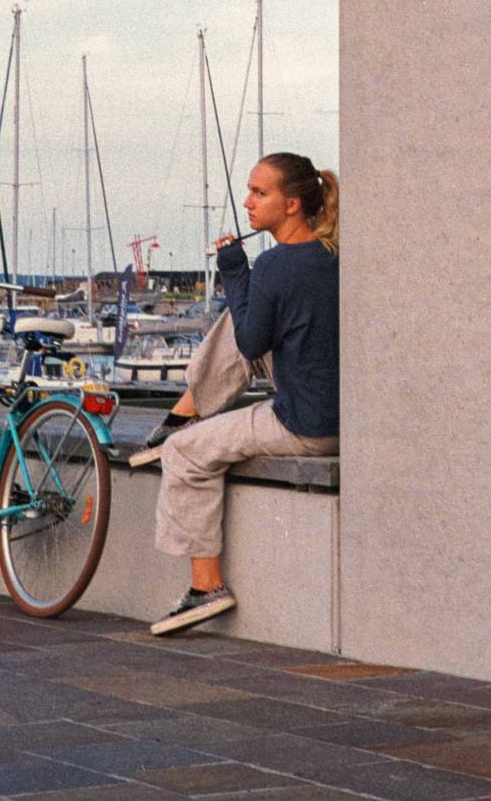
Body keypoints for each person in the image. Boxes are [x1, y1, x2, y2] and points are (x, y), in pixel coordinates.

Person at [133, 152, 340, 636]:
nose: (247, 203)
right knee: (240, 312)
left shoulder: (274, 264)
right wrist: (245, 284)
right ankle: (187, 410)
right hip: (343, 416)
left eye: (259, 193)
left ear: (291, 205)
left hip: (305, 426)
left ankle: (206, 588)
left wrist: (234, 272)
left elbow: (250, 344)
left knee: (184, 453)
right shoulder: (334, 255)